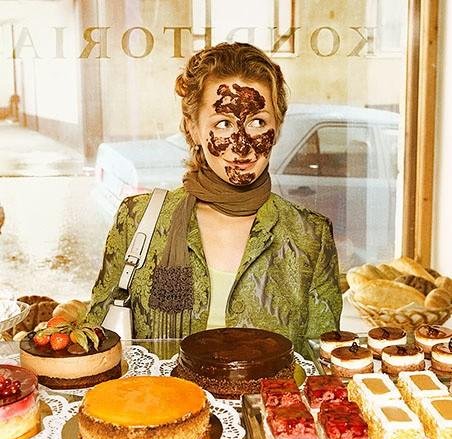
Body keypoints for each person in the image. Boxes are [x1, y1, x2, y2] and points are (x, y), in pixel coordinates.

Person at [87, 42, 342, 358]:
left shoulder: (311, 235)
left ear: (277, 127)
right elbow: (95, 349)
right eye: (223, 123)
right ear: (193, 129)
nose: (242, 146)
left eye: (258, 122)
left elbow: (322, 367)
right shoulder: (137, 220)